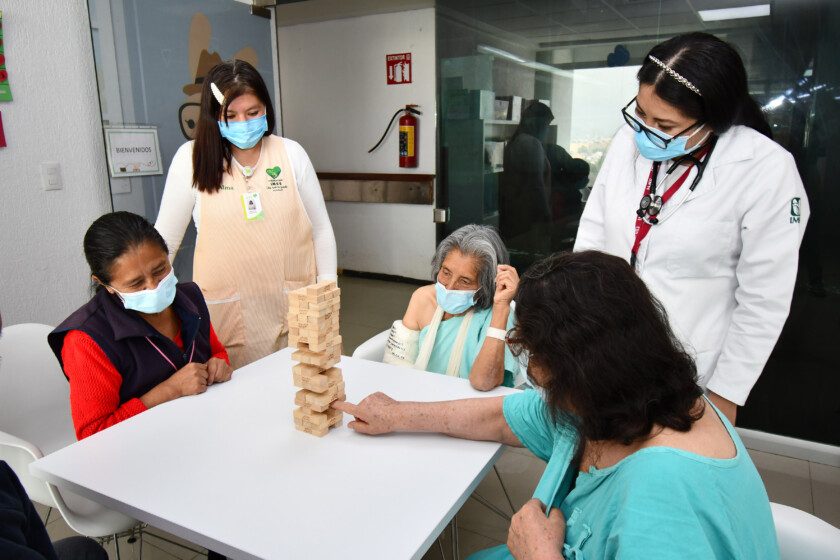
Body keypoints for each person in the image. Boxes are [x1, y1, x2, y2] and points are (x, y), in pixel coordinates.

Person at [334, 251, 779, 559]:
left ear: (581, 365)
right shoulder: (608, 402)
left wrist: (540, 555)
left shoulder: (664, 492)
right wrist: (399, 413)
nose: (532, 373)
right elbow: (502, 418)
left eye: (535, 358)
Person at [574, 32, 809, 422]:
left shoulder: (766, 170)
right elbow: (592, 237)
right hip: (605, 351)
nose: (645, 131)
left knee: (666, 472)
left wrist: (725, 396)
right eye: (642, 113)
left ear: (714, 118)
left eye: (664, 124)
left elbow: (764, 300)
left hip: (690, 367)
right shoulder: (627, 141)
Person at [155, 59, 337, 369]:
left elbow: (320, 229)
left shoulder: (290, 153)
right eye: (232, 115)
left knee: (301, 389)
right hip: (227, 311)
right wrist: (150, 302)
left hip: (294, 303)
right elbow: (166, 241)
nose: (244, 122)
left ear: (266, 108)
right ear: (214, 116)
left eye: (253, 113)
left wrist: (328, 289)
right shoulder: (192, 159)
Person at [48, 212, 232, 440]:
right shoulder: (87, 339)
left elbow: (217, 353)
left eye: (160, 270)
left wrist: (219, 365)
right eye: (136, 283)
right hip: (139, 451)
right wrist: (170, 390)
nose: (154, 287)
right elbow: (93, 435)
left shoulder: (189, 299)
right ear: (104, 284)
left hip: (203, 430)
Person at [383, 225, 520, 390]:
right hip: (420, 395)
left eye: (465, 281)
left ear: (486, 285)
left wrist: (501, 308)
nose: (449, 286)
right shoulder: (423, 298)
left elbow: (484, 382)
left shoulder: (499, 314)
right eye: (446, 272)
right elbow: (396, 363)